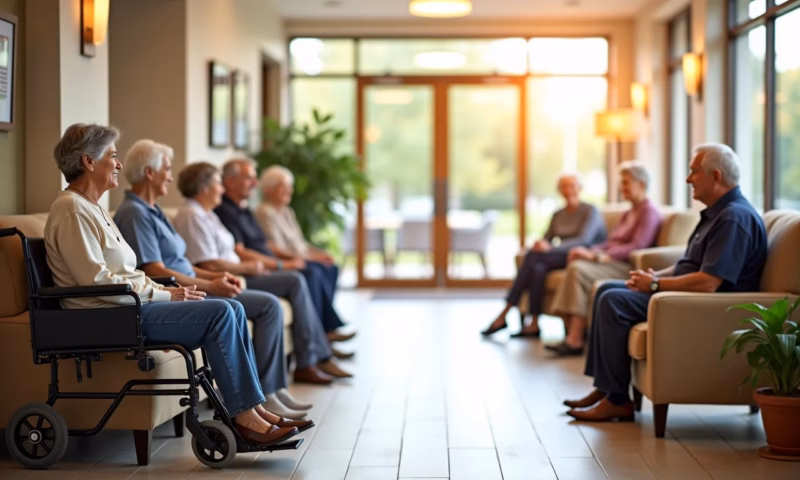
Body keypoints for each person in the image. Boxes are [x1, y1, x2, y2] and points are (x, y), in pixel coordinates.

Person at [44, 123, 305, 446]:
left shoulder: (93, 208)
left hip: (127, 307)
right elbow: (96, 281)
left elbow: (127, 273)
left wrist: (166, 293)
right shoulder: (71, 209)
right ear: (88, 161)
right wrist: (166, 293)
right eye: (112, 156)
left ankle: (254, 408)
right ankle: (244, 417)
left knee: (234, 308)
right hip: (107, 316)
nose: (119, 164)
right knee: (222, 313)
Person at [565, 143, 767, 422]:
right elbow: (690, 263)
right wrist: (656, 277)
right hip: (688, 297)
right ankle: (606, 388)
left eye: (693, 172)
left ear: (716, 176)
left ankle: (617, 400)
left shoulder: (734, 218)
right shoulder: (717, 214)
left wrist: (656, 287)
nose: (688, 179)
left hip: (703, 306)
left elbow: (709, 282)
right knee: (606, 289)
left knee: (613, 300)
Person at [114, 139, 312, 419]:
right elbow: (155, 271)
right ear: (150, 172)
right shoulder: (135, 213)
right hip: (174, 293)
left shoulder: (153, 210)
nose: (171, 176)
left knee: (249, 305)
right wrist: (210, 284)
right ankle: (251, 406)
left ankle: (257, 403)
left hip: (188, 286)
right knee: (250, 306)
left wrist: (219, 277)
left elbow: (188, 265)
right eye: (167, 169)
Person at [171, 162, 352, 385]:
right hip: (235, 276)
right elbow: (210, 263)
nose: (221, 189)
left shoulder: (209, 213)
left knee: (307, 275)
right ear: (204, 187)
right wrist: (263, 266)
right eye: (218, 183)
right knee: (293, 282)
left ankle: (305, 363)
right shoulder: (195, 214)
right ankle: (300, 367)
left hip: (241, 273)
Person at [216, 158, 355, 347]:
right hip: (259, 268)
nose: (254, 184)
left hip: (269, 262)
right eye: (249, 178)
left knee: (324, 268)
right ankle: (320, 341)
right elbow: (241, 251)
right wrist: (282, 264)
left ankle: (323, 338)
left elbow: (268, 244)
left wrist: (312, 255)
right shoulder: (227, 211)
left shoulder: (245, 210)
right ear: (230, 182)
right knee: (308, 273)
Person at [547, 162, 663, 356]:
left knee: (577, 269)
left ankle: (574, 338)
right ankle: (573, 334)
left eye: (626, 183)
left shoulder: (648, 212)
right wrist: (587, 250)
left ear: (641, 184)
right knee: (576, 263)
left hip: (627, 265)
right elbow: (610, 242)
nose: (621, 188)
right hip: (611, 261)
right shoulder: (628, 213)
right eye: (621, 183)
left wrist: (596, 256)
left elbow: (637, 247)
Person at [480, 173, 606, 337]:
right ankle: (533, 323)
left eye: (572, 185)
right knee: (537, 268)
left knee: (532, 257)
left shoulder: (590, 211)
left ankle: (505, 313)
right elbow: (547, 239)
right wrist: (540, 244)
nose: (568, 190)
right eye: (564, 186)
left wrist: (551, 248)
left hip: (580, 256)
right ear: (559, 190)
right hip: (558, 256)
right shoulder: (558, 214)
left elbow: (584, 240)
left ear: (579, 188)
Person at [255, 165, 346, 336]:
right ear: (269, 189)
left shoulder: (287, 211)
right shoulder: (264, 212)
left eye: (290, 186)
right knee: (313, 271)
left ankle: (325, 329)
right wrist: (310, 259)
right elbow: (274, 247)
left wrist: (318, 254)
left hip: (301, 256)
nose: (289, 190)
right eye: (284, 186)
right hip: (288, 260)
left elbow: (301, 243)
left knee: (331, 267)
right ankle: (321, 331)